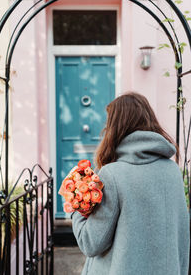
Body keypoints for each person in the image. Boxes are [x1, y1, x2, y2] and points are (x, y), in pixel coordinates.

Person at [71, 92, 190, 275]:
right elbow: (182, 239)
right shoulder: (172, 171)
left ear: (115, 128)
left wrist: (77, 208)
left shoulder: (112, 175)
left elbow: (90, 243)